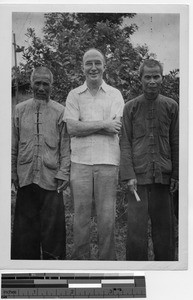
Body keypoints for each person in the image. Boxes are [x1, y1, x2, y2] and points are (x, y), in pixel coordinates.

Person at [64, 48, 124, 260]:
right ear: (82, 67)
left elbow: (115, 127)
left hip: (108, 162)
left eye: (97, 63)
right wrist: (104, 124)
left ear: (104, 67)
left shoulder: (115, 94)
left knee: (106, 217)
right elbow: (72, 128)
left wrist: (86, 125)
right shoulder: (74, 95)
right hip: (79, 162)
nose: (93, 67)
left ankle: (107, 262)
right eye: (88, 63)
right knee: (80, 216)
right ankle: (80, 261)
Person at [120, 59, 179, 261]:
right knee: (136, 232)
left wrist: (176, 175)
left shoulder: (171, 106)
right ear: (140, 79)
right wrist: (128, 175)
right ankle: (136, 271)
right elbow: (125, 143)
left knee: (164, 232)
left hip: (164, 178)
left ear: (162, 78)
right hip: (137, 181)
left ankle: (166, 273)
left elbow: (176, 142)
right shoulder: (130, 108)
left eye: (156, 76)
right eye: (148, 77)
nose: (152, 81)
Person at [11, 66, 70, 260]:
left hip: (51, 179)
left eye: (46, 84)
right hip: (26, 177)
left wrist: (63, 173)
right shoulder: (20, 110)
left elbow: (66, 146)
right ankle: (26, 271)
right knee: (24, 233)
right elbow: (13, 145)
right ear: (32, 84)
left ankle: (55, 270)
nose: (42, 88)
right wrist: (12, 173)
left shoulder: (60, 111)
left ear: (51, 85)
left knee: (54, 232)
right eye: (38, 83)